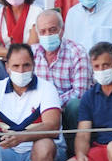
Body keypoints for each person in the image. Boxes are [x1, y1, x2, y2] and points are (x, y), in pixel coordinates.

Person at [32, 8, 91, 139]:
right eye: (43, 31)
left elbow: (80, 92)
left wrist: (51, 104)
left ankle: (74, 148)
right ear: (38, 33)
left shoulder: (77, 52)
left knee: (76, 105)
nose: (47, 34)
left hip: (65, 108)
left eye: (52, 30)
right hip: (37, 109)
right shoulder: (31, 53)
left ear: (62, 30)